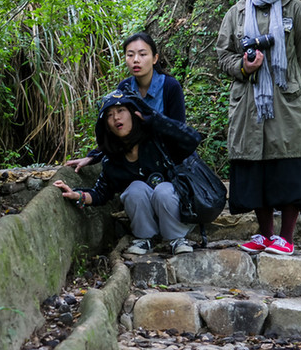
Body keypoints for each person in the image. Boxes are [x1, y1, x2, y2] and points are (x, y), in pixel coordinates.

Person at [216, 0, 301, 256]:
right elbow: (223, 56)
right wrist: (244, 67)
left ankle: (285, 238)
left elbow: (300, 58)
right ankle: (264, 235)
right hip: (248, 102)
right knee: (254, 168)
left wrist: (282, 82)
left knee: (289, 165)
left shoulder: (294, 8)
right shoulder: (236, 12)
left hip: (285, 102)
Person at [54, 89, 202, 255]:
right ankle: (145, 239)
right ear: (107, 126)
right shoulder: (113, 160)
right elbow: (101, 193)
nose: (116, 118)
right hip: (149, 221)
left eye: (121, 111)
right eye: (109, 115)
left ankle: (177, 238)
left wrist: (155, 119)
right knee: (134, 189)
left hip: (178, 214)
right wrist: (76, 195)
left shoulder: (157, 141)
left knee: (163, 190)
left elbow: (193, 139)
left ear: (133, 114)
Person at [66, 31, 185, 172]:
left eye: (143, 54)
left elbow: (180, 132)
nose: (136, 60)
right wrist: (93, 156)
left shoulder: (170, 87)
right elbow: (118, 131)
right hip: (135, 162)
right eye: (130, 55)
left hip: (166, 161)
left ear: (155, 58)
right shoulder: (125, 87)